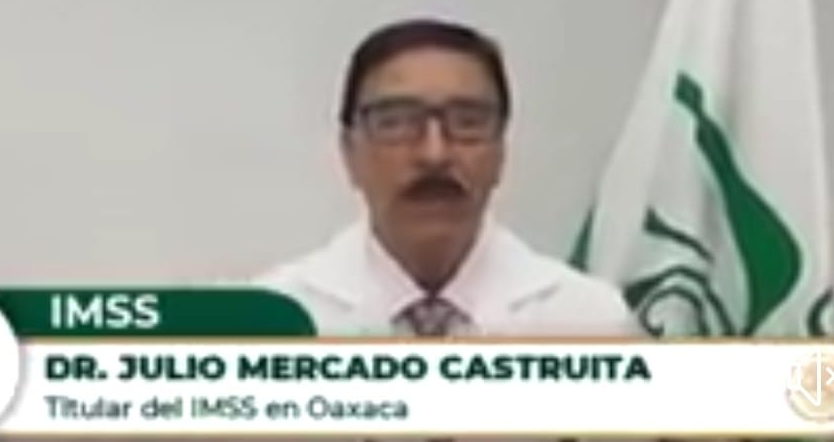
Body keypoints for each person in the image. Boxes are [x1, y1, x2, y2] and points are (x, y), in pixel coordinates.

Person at [256, 18, 638, 337]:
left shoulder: (591, 320)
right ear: (349, 152)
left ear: (501, 150)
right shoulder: (273, 322)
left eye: (467, 122)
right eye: (397, 123)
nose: (434, 154)